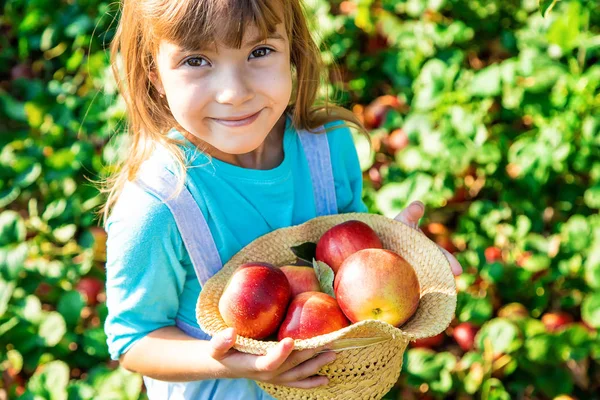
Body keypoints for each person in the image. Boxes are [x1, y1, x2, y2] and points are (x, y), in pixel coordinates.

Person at [100, 0, 463, 399]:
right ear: (154, 74)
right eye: (196, 61)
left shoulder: (327, 148)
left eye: (259, 52)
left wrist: (399, 257)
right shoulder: (159, 206)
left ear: (292, 49)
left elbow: (343, 267)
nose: (234, 93)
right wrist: (228, 361)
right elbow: (134, 341)